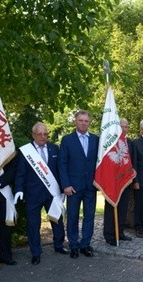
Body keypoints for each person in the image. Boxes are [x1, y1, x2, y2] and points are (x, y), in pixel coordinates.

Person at [14, 122, 67, 265]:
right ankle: (36, 252)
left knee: (57, 220)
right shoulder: (26, 151)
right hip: (33, 194)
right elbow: (20, 173)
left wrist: (62, 190)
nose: (43, 137)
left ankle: (59, 245)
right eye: (40, 134)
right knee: (33, 224)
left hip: (52, 193)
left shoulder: (54, 148)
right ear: (33, 135)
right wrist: (19, 189)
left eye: (46, 134)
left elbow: (60, 170)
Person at [59, 110, 99, 258]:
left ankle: (85, 245)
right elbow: (62, 164)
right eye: (81, 120)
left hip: (91, 186)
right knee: (73, 217)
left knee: (89, 216)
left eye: (86, 121)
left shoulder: (96, 139)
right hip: (73, 187)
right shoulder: (67, 140)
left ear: (89, 123)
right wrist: (66, 185)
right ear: (75, 121)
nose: (83, 123)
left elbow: (100, 163)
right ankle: (74, 245)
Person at [103, 118, 134, 246]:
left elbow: (133, 161)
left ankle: (120, 233)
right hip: (112, 181)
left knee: (123, 208)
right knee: (111, 208)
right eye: (121, 126)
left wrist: (133, 172)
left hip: (125, 180)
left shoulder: (130, 142)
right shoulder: (110, 142)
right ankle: (109, 235)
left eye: (126, 127)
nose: (124, 129)